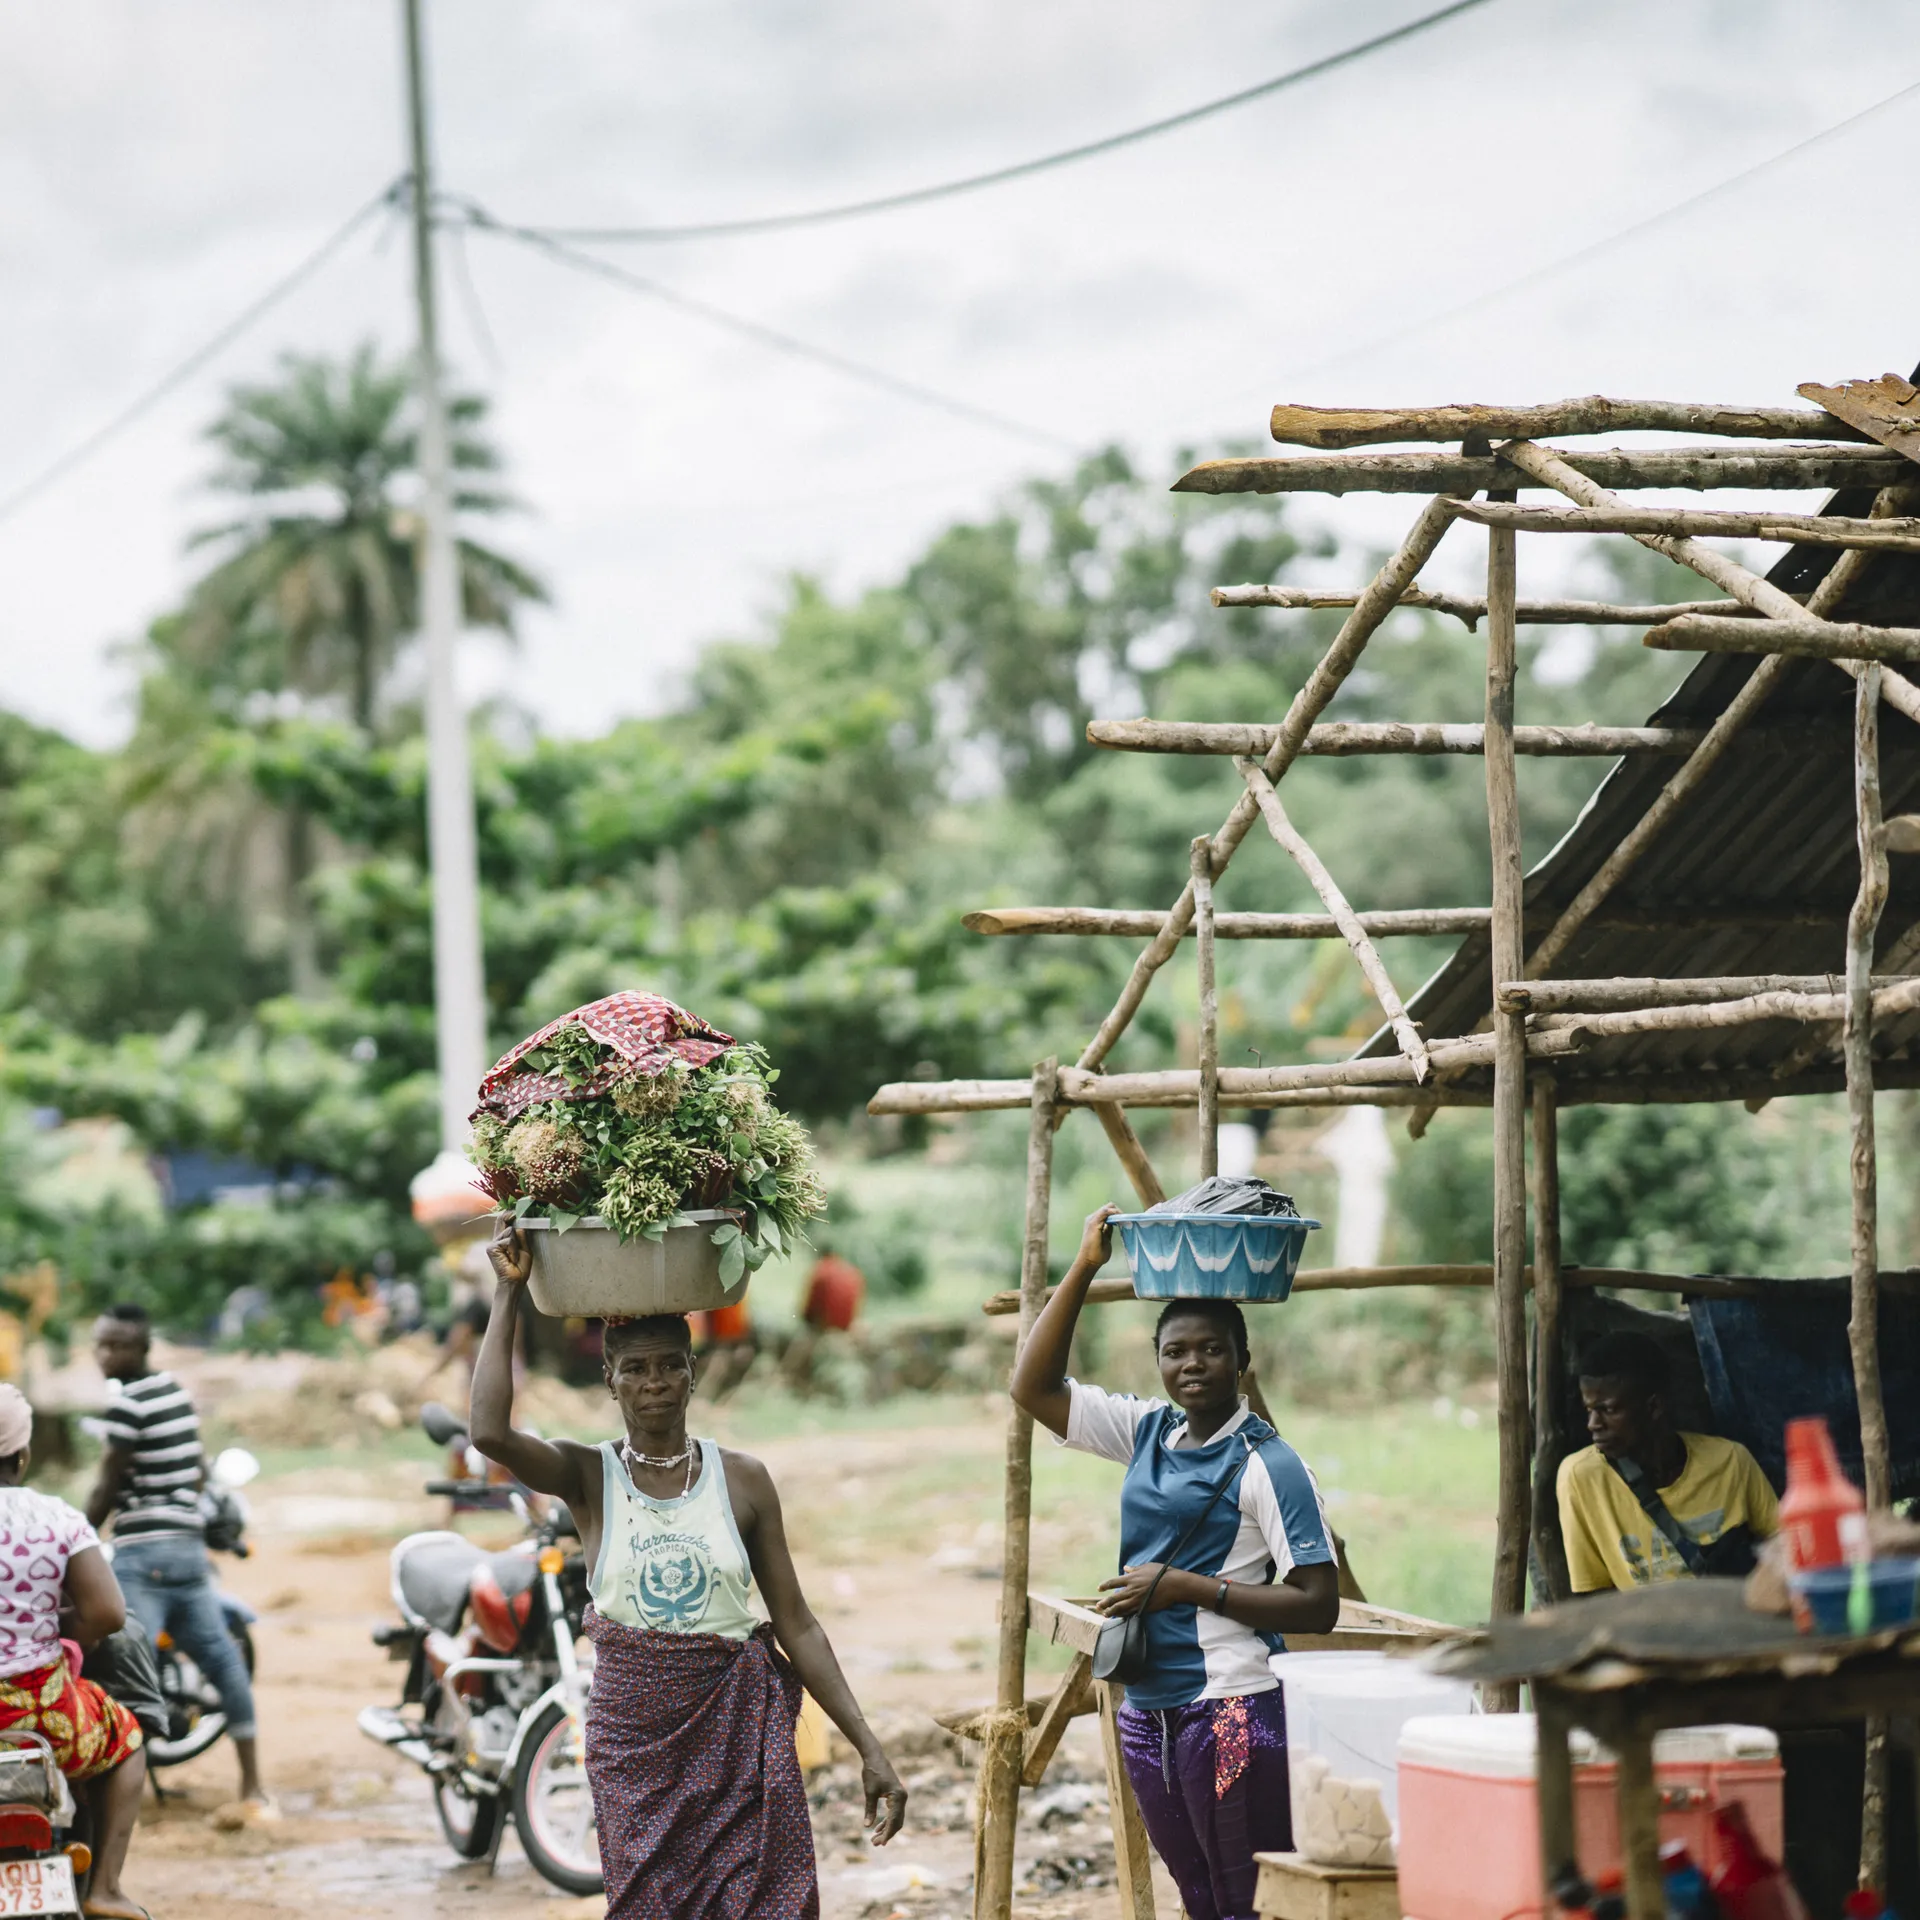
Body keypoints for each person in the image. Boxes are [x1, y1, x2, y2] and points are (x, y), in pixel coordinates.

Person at [471, 1221, 907, 1920]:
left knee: (763, 1903)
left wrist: (870, 1746)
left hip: (738, 1741)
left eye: (670, 1364)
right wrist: (506, 1290)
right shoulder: (589, 1475)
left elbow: (796, 1622)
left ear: (693, 1372)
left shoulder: (743, 1481)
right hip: (636, 1749)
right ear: (609, 1378)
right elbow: (489, 1432)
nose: (655, 1384)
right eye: (636, 1369)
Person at [1011, 1204, 1341, 1920]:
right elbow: (1031, 1388)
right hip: (1147, 1709)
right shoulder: (1148, 1430)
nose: (1193, 1364)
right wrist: (1086, 1265)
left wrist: (1186, 1588)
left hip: (1230, 1709)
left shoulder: (1269, 1464)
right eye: (1176, 1351)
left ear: (1244, 1362)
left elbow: (1319, 1603)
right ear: (1158, 1360)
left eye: (1212, 1350)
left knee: (1248, 1902)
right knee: (1196, 1897)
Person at [85, 1303, 266, 1807]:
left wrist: (75, 1536)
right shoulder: (177, 1394)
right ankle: (252, 1787)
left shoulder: (128, 1404)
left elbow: (107, 1484)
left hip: (143, 1552)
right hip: (188, 1550)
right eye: (100, 1342)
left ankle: (120, 1794)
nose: (104, 1353)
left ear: (141, 1348)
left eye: (115, 1344)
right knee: (222, 1660)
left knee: (125, 1670)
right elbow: (197, 1471)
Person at [0, 1384, 148, 1919]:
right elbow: (107, 1615)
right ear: (23, 1454)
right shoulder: (56, 1517)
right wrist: (52, 1621)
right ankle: (105, 1888)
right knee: (126, 1738)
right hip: (45, 1716)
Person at [1557, 1329, 1779, 1592]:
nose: (1593, 1424)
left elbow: (1785, 1542)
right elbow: (1592, 1594)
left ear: (1653, 1408)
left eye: (1608, 1409)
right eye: (1589, 1410)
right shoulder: (1581, 1477)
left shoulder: (1731, 1461)